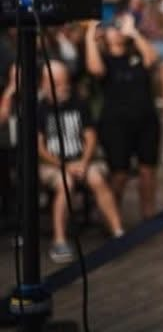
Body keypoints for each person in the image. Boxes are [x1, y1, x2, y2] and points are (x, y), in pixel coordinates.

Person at [37, 61, 123, 263]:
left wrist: (83, 162)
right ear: (45, 84)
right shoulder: (38, 109)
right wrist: (64, 165)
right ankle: (59, 240)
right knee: (65, 183)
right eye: (57, 83)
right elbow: (38, 147)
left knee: (97, 179)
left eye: (64, 82)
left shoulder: (79, 104)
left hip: (81, 159)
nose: (62, 87)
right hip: (52, 164)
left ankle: (118, 232)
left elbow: (90, 136)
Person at [85, 15, 162, 219]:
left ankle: (149, 216)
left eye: (120, 28)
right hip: (116, 124)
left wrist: (134, 33)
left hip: (146, 120)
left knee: (147, 171)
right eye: (114, 28)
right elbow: (95, 69)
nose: (118, 31)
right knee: (119, 173)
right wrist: (90, 34)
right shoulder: (104, 59)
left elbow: (153, 60)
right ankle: (112, 217)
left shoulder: (137, 55)